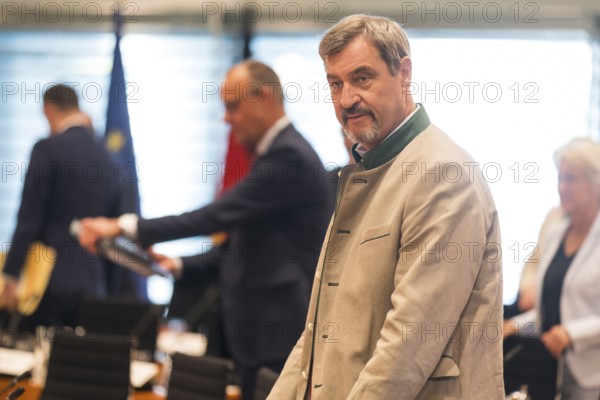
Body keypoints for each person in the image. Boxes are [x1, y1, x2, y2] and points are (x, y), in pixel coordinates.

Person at [268, 15, 504, 400]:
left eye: (362, 78)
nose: (346, 99)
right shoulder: (367, 169)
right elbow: (316, 335)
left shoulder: (443, 174)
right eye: (334, 84)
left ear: (404, 73)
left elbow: (407, 343)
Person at [78, 60, 335, 400]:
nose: (226, 119)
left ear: (265, 97)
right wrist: (179, 265)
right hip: (255, 338)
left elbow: (212, 217)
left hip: (277, 338)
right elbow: (244, 245)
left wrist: (124, 226)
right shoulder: (275, 153)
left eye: (233, 106)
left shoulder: (290, 157)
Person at [1, 84, 120, 330]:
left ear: (48, 109)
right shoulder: (108, 157)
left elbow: (28, 220)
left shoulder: (48, 149)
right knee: (75, 363)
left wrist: (10, 277)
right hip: (93, 284)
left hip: (47, 282)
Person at [505, 138, 600, 399]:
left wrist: (572, 333)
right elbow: (549, 310)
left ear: (595, 183)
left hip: (593, 379)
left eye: (571, 179)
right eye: (560, 178)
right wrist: (514, 325)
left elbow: (571, 323)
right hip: (552, 374)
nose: (561, 188)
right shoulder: (556, 232)